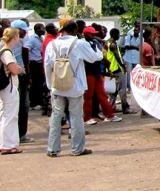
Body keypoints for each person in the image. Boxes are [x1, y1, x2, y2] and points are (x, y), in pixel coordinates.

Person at [45, 20, 103, 157]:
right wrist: (99, 51)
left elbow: (47, 67)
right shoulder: (79, 43)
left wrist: (50, 85)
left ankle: (52, 148)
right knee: (76, 116)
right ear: (75, 30)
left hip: (57, 86)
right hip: (75, 86)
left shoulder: (51, 44)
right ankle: (77, 148)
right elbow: (94, 58)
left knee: (56, 116)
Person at [82, 26, 121, 124]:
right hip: (88, 71)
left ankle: (109, 114)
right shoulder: (83, 44)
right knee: (88, 96)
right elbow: (95, 57)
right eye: (92, 34)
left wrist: (99, 58)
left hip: (97, 71)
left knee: (102, 94)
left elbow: (100, 56)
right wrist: (98, 57)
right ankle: (87, 117)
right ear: (86, 34)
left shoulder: (94, 43)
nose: (94, 35)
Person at [1, 28, 24, 154]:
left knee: (6, 115)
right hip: (9, 87)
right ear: (14, 37)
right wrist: (20, 69)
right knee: (10, 116)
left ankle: (6, 143)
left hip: (6, 87)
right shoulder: (7, 52)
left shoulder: (3, 50)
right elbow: (14, 69)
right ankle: (8, 145)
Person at [10, 19, 33, 144]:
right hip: (18, 75)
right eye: (24, 31)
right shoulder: (16, 44)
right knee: (22, 106)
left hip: (17, 75)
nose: (25, 34)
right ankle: (20, 134)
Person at [106, 28, 132, 114]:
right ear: (115, 35)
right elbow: (118, 57)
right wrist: (123, 67)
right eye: (118, 35)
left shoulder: (107, 43)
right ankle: (125, 108)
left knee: (113, 91)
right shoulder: (113, 44)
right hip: (117, 68)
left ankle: (111, 108)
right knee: (122, 90)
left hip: (111, 69)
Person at [25, 23, 45, 111]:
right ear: (37, 29)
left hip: (40, 63)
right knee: (35, 84)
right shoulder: (32, 39)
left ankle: (39, 102)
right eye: (42, 28)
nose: (44, 30)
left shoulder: (41, 39)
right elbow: (26, 49)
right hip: (34, 64)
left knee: (40, 83)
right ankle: (33, 103)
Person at [121, 22, 142, 87]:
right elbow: (127, 45)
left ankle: (136, 86)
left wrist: (132, 46)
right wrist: (136, 47)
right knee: (129, 73)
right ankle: (129, 86)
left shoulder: (141, 34)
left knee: (137, 72)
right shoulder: (130, 33)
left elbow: (141, 47)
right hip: (128, 57)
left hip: (137, 57)